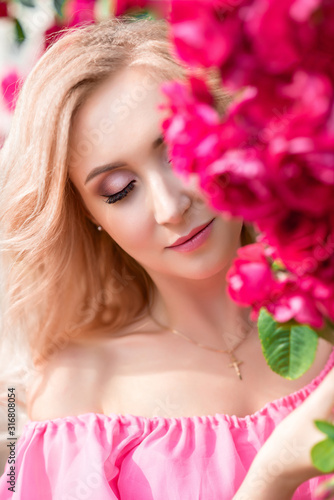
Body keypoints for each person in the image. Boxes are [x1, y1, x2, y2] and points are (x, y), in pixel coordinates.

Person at [0, 15, 333, 500]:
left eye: (179, 151)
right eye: (118, 190)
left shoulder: (321, 296)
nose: (170, 206)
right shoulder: (76, 398)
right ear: (89, 215)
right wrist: (271, 477)